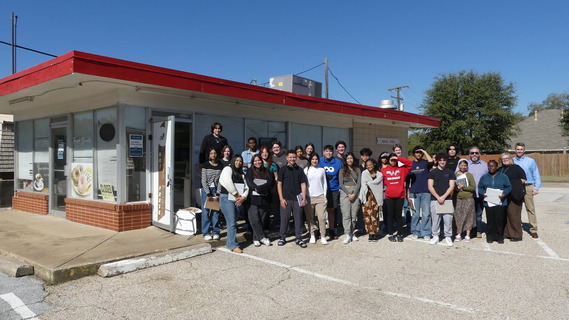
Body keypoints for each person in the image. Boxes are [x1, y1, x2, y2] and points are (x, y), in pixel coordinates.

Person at [277, 150, 308, 248]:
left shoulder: (299, 170)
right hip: (286, 198)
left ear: (296, 158)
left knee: (298, 219)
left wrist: (304, 197)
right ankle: (282, 237)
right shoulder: (283, 169)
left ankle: (298, 238)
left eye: (294, 157)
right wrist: (281, 199)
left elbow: (303, 184)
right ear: (287, 158)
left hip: (297, 199)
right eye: (290, 157)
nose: (292, 159)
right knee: (284, 219)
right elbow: (279, 184)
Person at [219, 155, 249, 253]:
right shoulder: (227, 169)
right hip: (226, 198)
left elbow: (246, 187)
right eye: (236, 160)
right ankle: (233, 245)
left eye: (240, 161)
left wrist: (243, 197)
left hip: (237, 199)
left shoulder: (241, 173)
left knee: (232, 222)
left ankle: (229, 242)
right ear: (233, 161)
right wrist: (236, 194)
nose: (238, 162)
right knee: (232, 222)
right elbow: (228, 182)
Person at [478, 160, 512, 244]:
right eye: (489, 166)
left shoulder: (503, 176)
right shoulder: (484, 177)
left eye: (493, 166)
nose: (491, 168)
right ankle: (490, 236)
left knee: (499, 220)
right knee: (490, 220)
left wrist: (504, 194)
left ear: (497, 167)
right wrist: (483, 193)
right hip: (489, 202)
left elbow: (508, 187)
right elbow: (480, 187)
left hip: (500, 202)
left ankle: (499, 236)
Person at [381, 153, 412, 242]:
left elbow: (410, 163)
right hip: (389, 197)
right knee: (390, 216)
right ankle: (390, 233)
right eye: (391, 160)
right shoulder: (384, 170)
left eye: (394, 160)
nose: (393, 161)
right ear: (388, 160)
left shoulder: (402, 170)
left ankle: (399, 233)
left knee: (398, 216)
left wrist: (398, 158)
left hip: (400, 196)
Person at [513, 142, 541, 238]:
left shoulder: (530, 161)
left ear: (524, 150)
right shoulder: (512, 161)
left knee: (530, 209)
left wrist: (536, 188)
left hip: (528, 186)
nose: (519, 151)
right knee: (516, 209)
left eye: (521, 149)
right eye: (518, 149)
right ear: (515, 150)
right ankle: (516, 227)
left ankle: (533, 229)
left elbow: (536, 174)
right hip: (516, 187)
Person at [245, 154, 274, 247]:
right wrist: (256, 188)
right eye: (255, 161)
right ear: (253, 162)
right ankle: (262, 237)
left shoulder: (267, 171)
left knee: (261, 219)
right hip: (252, 199)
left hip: (264, 198)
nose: (257, 162)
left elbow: (270, 182)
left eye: (259, 160)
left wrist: (260, 188)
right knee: (254, 218)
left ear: (262, 161)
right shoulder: (250, 171)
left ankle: (255, 238)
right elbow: (249, 181)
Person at [428, 153, 456, 247]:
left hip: (447, 199)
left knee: (448, 219)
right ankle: (435, 236)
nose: (442, 162)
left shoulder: (450, 172)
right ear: (437, 161)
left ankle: (448, 236)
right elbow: (430, 186)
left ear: (446, 161)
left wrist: (443, 197)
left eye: (444, 160)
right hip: (434, 199)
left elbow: (451, 186)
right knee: (435, 220)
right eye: (440, 160)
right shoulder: (432, 172)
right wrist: (438, 197)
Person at [459, 146, 488, 238]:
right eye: (472, 153)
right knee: (469, 213)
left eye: (476, 152)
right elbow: (458, 176)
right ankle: (469, 230)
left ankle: (478, 230)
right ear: (469, 154)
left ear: (479, 154)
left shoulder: (485, 165)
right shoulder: (465, 165)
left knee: (478, 214)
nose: (474, 154)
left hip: (481, 193)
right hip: (469, 194)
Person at [407, 146, 434, 240]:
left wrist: (424, 151)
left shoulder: (425, 163)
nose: (418, 154)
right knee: (415, 213)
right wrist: (408, 193)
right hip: (414, 192)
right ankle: (415, 231)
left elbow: (432, 162)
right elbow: (407, 180)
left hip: (425, 192)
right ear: (414, 154)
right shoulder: (411, 165)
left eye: (420, 152)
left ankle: (426, 232)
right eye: (416, 152)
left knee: (426, 213)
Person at [499, 153, 526, 242]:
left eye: (507, 158)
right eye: (503, 159)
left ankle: (517, 234)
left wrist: (510, 183)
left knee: (514, 215)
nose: (505, 160)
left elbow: (523, 179)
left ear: (510, 159)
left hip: (514, 194)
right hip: (502, 195)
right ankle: (507, 233)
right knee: (505, 215)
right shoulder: (500, 169)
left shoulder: (516, 168)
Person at [319, 144, 343, 239]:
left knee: (332, 210)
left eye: (330, 151)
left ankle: (332, 229)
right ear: (324, 152)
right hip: (321, 190)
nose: (328, 153)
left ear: (333, 152)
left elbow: (341, 176)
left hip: (334, 190)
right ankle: (321, 230)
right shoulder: (320, 161)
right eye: (326, 151)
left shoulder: (337, 162)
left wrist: (340, 188)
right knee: (321, 211)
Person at [304, 153, 328, 245]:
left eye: (316, 159)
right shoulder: (306, 170)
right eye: (313, 159)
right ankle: (312, 235)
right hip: (309, 196)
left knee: (321, 217)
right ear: (310, 160)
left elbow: (324, 183)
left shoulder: (321, 170)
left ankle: (322, 236)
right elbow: (304, 184)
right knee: (310, 218)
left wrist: (324, 196)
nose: (314, 161)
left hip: (320, 196)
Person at [200, 147, 223, 241]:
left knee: (215, 213)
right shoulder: (205, 165)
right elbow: (203, 180)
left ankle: (216, 232)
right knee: (205, 212)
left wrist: (218, 192)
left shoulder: (220, 165)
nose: (213, 155)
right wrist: (208, 193)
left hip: (216, 190)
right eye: (211, 153)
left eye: (214, 153)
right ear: (209, 155)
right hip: (207, 191)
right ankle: (206, 232)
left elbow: (221, 180)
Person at [339, 152, 361, 244]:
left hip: (356, 193)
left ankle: (352, 232)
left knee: (354, 214)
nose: (349, 160)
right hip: (345, 193)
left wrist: (354, 194)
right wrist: (348, 193)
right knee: (346, 214)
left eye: (351, 158)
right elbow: (341, 183)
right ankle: (347, 234)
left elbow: (359, 183)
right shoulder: (342, 170)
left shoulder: (358, 170)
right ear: (345, 160)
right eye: (348, 158)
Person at [359, 158, 383, 242]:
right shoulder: (364, 173)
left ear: (374, 164)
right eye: (367, 165)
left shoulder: (379, 174)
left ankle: (375, 233)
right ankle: (370, 233)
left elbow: (378, 184)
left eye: (370, 164)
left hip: (376, 196)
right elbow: (363, 184)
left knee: (375, 215)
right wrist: (370, 184)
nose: (369, 166)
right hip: (366, 195)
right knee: (366, 215)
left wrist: (369, 183)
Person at [454, 159, 476, 242]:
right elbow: (453, 186)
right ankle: (459, 233)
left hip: (468, 198)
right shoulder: (455, 175)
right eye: (461, 165)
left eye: (465, 165)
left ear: (467, 166)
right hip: (458, 198)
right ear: (459, 166)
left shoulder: (469, 175)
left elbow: (473, 187)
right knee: (458, 216)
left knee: (468, 216)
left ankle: (467, 235)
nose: (463, 167)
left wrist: (464, 187)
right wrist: (456, 188)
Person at [259, 146, 279, 231]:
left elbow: (276, 178)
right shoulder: (258, 163)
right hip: (262, 189)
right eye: (262, 152)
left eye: (266, 152)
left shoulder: (273, 164)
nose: (264, 154)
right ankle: (265, 226)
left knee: (275, 208)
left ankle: (277, 224)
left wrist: (275, 188)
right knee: (264, 209)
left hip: (272, 189)